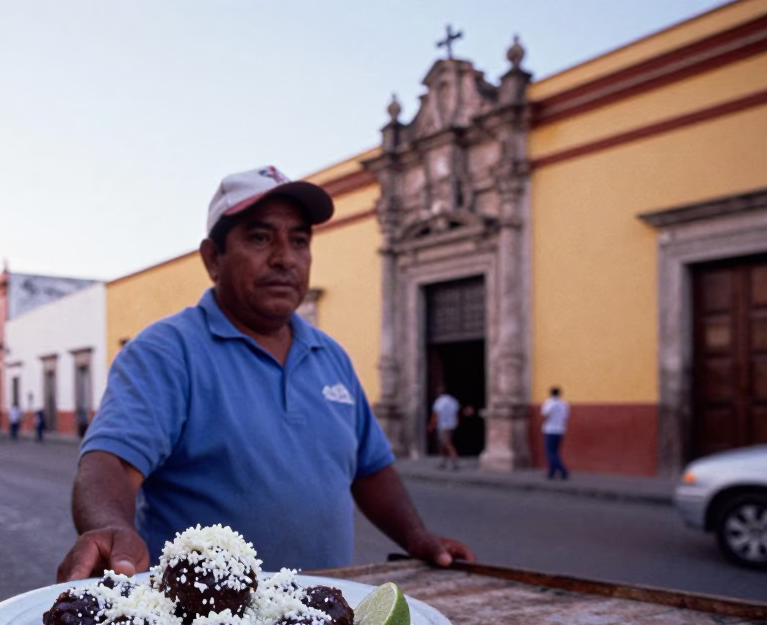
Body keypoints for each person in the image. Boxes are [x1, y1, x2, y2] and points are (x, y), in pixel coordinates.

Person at [57, 165, 473, 582]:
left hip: (320, 623)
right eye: (260, 237)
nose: (285, 258)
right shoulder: (166, 352)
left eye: (299, 241)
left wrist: (415, 535)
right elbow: (111, 460)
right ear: (212, 258)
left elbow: (371, 469)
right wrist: (111, 525)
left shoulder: (331, 356)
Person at [428, 387, 461, 470]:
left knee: (447, 443)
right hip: (452, 425)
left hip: (443, 425)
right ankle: (442, 462)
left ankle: (455, 460)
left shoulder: (439, 402)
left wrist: (431, 425)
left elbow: (435, 414)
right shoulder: (453, 401)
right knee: (443, 444)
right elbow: (456, 413)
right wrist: (456, 422)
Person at [542, 386, 570, 480]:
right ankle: (552, 472)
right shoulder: (564, 404)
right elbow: (566, 417)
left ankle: (562, 469)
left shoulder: (550, 403)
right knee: (555, 451)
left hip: (550, 430)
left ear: (551, 393)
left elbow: (545, 414)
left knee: (550, 452)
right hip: (560, 430)